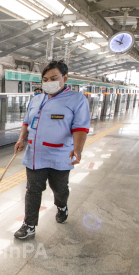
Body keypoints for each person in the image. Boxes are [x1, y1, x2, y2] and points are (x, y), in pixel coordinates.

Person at [13, 60, 90, 240]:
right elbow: (27, 121)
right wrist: (21, 138)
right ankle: (29, 225)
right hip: (35, 155)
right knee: (33, 189)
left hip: (60, 154)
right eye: (45, 79)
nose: (49, 82)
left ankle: (62, 206)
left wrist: (78, 149)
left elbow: (80, 128)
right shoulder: (36, 99)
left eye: (53, 78)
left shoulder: (77, 100)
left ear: (65, 77)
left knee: (60, 189)